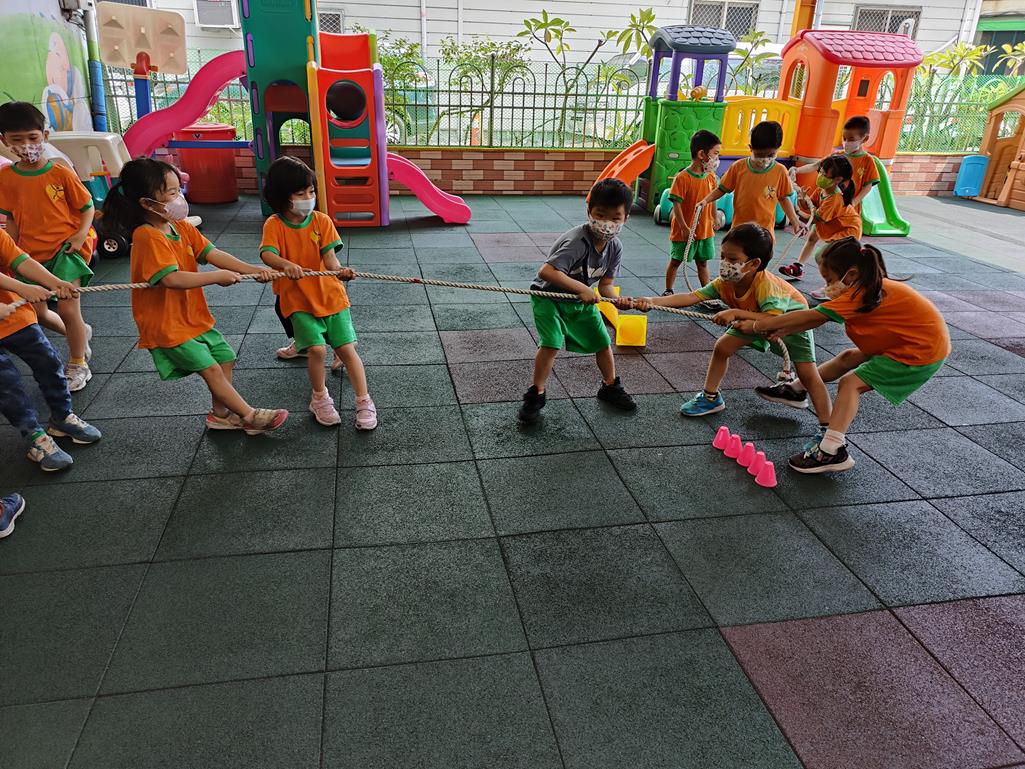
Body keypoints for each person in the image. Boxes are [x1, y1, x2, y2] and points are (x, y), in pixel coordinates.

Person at [102, 158, 289, 435]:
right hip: (166, 324)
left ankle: (220, 416)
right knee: (210, 368)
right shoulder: (147, 236)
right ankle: (250, 416)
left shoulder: (182, 227)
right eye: (172, 193)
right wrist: (217, 277)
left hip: (192, 317)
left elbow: (214, 254)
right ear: (147, 203)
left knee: (225, 357)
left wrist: (253, 270)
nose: (179, 198)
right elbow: (171, 279)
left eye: (179, 190)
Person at [735, 237, 950, 473]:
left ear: (851, 274)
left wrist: (758, 326)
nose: (827, 286)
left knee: (850, 383)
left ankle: (831, 449)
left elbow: (813, 316)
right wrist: (784, 329)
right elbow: (815, 320)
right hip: (910, 340)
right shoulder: (868, 287)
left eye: (829, 279)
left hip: (919, 351)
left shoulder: (859, 294)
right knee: (848, 357)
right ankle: (796, 390)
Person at [632, 223, 830, 426]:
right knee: (723, 347)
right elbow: (691, 297)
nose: (725, 263)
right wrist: (651, 301)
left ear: (754, 263)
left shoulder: (766, 286)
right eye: (723, 257)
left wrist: (735, 312)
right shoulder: (724, 283)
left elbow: (772, 319)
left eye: (733, 259)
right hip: (754, 319)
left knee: (808, 375)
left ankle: (828, 428)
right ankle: (710, 398)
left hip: (793, 324)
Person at [259, 156, 376, 429]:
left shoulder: (322, 221)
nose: (308, 198)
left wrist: (340, 271)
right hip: (298, 301)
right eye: (300, 194)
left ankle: (364, 400)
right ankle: (320, 398)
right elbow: (267, 253)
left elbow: (331, 261)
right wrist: (286, 265)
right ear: (282, 196)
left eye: (311, 192)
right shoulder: (274, 225)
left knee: (346, 349)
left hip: (330, 296)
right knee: (316, 349)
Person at [518, 178, 637, 424]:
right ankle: (536, 394)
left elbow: (605, 286)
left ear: (626, 218)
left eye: (615, 218)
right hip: (548, 297)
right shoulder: (577, 241)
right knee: (551, 342)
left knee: (602, 341)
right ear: (589, 212)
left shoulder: (615, 247)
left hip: (579, 299)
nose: (607, 223)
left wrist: (618, 301)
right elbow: (547, 272)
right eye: (600, 215)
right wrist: (582, 288)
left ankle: (610, 386)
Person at [0, 101, 96, 391]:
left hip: (65, 251)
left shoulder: (60, 172)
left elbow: (87, 207)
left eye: (32, 137)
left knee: (68, 309)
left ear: (45, 135)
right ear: (4, 140)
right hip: (30, 255)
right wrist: (11, 253)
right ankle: (79, 333)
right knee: (39, 314)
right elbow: (11, 219)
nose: (26, 146)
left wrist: (80, 235)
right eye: (17, 140)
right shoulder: (6, 178)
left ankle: (78, 362)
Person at [0, 228, 102, 471]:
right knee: (7, 383)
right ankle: (34, 437)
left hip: (12, 315)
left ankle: (62, 417)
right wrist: (22, 287)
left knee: (48, 360)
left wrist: (56, 283)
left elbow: (20, 259)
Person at [698, 120, 806, 240]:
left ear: (778, 150)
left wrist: (795, 221)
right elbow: (722, 189)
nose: (764, 159)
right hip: (739, 229)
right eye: (759, 155)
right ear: (750, 148)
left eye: (770, 155)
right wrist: (705, 200)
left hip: (764, 232)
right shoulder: (738, 167)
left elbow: (783, 198)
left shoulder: (780, 171)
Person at [779, 154, 862, 281]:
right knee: (812, 238)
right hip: (830, 223)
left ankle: (837, 282)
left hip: (846, 230)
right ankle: (798, 267)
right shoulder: (822, 190)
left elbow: (814, 219)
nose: (820, 176)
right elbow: (810, 207)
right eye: (820, 172)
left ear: (837, 179)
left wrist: (796, 212)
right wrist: (802, 199)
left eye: (824, 175)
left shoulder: (834, 198)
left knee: (823, 257)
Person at [664, 129, 721, 295]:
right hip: (685, 231)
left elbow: (712, 198)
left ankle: (707, 294)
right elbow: (676, 204)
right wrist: (683, 227)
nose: (717, 158)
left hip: (704, 230)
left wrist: (714, 216)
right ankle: (668, 290)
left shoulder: (711, 177)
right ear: (702, 154)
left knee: (703, 263)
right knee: (676, 261)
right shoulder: (682, 178)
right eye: (715, 153)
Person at [789, 115, 879, 213]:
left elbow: (867, 187)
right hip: (827, 205)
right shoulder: (837, 156)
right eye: (844, 138)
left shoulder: (867, 160)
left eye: (851, 139)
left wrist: (853, 203)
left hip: (847, 210)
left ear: (865, 139)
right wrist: (797, 170)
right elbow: (816, 165)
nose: (846, 142)